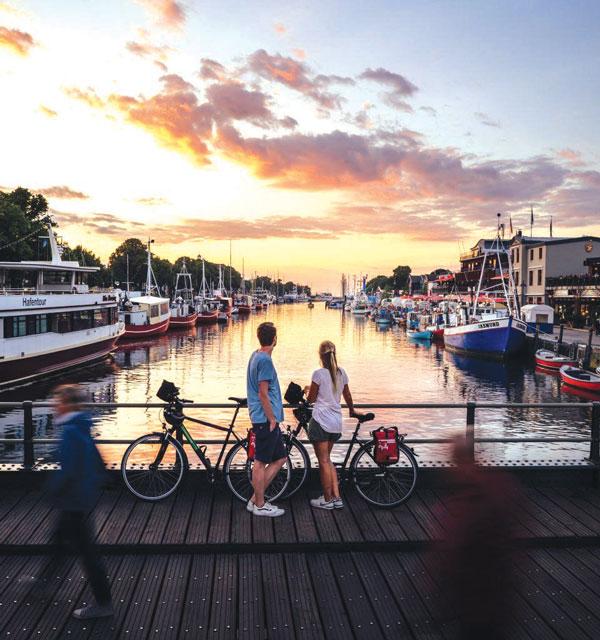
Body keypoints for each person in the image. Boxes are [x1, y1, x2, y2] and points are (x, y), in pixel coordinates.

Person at [48, 384, 113, 619]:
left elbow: (70, 471)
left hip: (75, 498)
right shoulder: (80, 425)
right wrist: (102, 476)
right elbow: (95, 455)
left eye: (58, 401)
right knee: (59, 539)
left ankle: (104, 603)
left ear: (68, 405)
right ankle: (44, 583)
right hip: (81, 495)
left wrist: (52, 490)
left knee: (87, 552)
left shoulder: (70, 431)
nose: (54, 406)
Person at [305, 340, 356, 509]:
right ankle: (336, 497)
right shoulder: (342, 373)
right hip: (336, 422)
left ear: (320, 355)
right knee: (328, 460)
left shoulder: (318, 374)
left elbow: (311, 399)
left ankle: (327, 500)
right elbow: (347, 395)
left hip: (321, 421)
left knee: (324, 461)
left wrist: (307, 391)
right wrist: (352, 411)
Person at [246, 322, 287, 517]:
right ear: (275, 339)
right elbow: (263, 393)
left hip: (265, 417)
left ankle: (255, 499)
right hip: (264, 419)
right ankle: (260, 505)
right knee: (260, 462)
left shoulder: (256, 355)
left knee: (280, 458)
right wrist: (271, 418)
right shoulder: (265, 361)